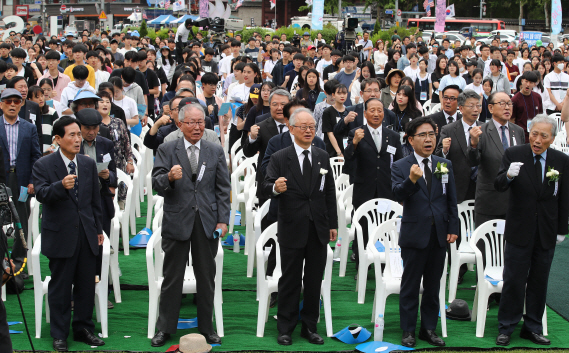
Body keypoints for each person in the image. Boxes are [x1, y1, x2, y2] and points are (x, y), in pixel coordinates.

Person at [150, 103, 230, 347]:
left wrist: (223, 220)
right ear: (180, 124)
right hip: (177, 219)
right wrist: (169, 179)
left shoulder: (214, 150)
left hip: (207, 220)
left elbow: (223, 189)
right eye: (192, 122)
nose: (197, 127)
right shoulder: (167, 148)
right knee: (172, 277)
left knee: (206, 277)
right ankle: (165, 328)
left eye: (201, 122)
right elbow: (156, 183)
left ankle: (207, 328)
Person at [262, 108, 337, 346]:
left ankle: (310, 326)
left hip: (318, 227)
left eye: (312, 127)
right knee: (290, 279)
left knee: (314, 280)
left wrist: (332, 223)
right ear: (292, 129)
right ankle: (285, 327)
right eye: (303, 127)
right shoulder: (280, 157)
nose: (308, 131)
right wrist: (276, 188)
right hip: (292, 226)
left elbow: (330, 192)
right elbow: (264, 186)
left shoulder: (322, 155)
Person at [494, 115, 569, 346]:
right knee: (514, 280)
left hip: (546, 230)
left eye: (543, 136)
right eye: (534, 134)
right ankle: (506, 326)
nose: (537, 140)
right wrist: (508, 175)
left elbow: (564, 197)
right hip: (519, 229)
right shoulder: (514, 154)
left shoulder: (561, 160)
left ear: (552, 138)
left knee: (539, 281)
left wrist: (561, 229)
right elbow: (497, 185)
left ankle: (533, 327)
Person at [33, 116, 105, 352]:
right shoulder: (43, 165)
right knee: (61, 287)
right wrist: (59, 186)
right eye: (71, 135)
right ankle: (59, 333)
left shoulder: (86, 163)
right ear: (57, 139)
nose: (77, 139)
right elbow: (41, 194)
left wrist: (97, 229)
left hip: (86, 232)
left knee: (86, 284)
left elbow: (94, 201)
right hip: (61, 235)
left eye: (78, 134)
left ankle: (84, 328)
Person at [391, 116, 459, 348]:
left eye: (432, 134)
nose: (429, 139)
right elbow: (398, 195)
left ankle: (428, 328)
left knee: (433, 285)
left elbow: (451, 199)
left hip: (440, 234)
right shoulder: (401, 165)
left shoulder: (443, 164)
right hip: (414, 234)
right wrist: (411, 180)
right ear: (411, 140)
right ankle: (408, 330)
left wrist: (453, 226)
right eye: (423, 135)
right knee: (410, 286)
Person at [344, 98, 403, 276]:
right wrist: (354, 143)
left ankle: (386, 264)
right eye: (372, 110)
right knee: (363, 227)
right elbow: (348, 161)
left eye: (380, 110)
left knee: (386, 226)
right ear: (365, 113)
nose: (376, 114)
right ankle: (362, 266)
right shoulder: (356, 132)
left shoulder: (392, 135)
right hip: (364, 189)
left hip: (386, 188)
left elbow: (399, 162)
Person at [468, 92, 525, 227]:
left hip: (514, 201)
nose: (507, 107)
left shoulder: (518, 131)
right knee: (487, 245)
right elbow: (472, 162)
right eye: (502, 103)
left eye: (509, 103)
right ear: (491, 108)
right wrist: (474, 144)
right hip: (490, 202)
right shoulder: (481, 131)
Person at [0, 88, 42, 270]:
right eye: (8, 101)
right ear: (1, 104)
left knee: (21, 220)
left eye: (16, 101)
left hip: (22, 179)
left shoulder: (29, 127)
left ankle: (19, 263)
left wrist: (33, 180)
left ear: (21, 104)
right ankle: (2, 261)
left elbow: (36, 156)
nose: (12, 105)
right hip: (2, 178)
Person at [243, 89, 292, 207]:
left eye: (283, 104)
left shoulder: (298, 126)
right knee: (267, 222)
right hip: (267, 183)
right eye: (275, 104)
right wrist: (252, 138)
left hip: (293, 183)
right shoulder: (261, 127)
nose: (279, 108)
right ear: (269, 105)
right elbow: (248, 153)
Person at [436, 89, 483, 204]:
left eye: (478, 106)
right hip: (457, 187)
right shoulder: (449, 129)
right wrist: (444, 151)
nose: (476, 109)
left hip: (481, 187)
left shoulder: (486, 129)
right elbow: (438, 161)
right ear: (461, 108)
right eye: (471, 106)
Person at [511, 71, 543, 143]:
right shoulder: (515, 99)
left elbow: (540, 116)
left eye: (531, 82)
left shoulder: (537, 97)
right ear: (522, 81)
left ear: (534, 84)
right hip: (521, 135)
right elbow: (511, 120)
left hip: (536, 134)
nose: (528, 85)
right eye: (526, 81)